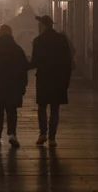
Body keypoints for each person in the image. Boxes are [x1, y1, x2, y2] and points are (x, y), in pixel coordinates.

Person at [28, 15, 73, 147]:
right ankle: (52, 137)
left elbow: (34, 62)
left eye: (39, 24)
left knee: (42, 107)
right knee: (55, 109)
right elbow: (67, 62)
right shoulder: (61, 39)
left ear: (42, 25)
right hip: (58, 79)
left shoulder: (38, 40)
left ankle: (43, 134)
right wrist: (66, 80)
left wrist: (22, 65)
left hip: (43, 78)